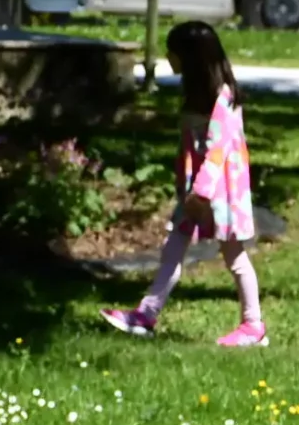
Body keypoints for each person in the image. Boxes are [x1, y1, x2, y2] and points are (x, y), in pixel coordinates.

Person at [101, 20, 265, 347]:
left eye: (173, 51)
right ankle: (146, 314)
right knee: (172, 250)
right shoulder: (195, 93)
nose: (168, 57)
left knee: (234, 256)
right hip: (195, 193)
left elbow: (217, 151)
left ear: (191, 57)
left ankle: (253, 326)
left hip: (219, 193)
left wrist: (199, 194)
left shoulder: (224, 98)